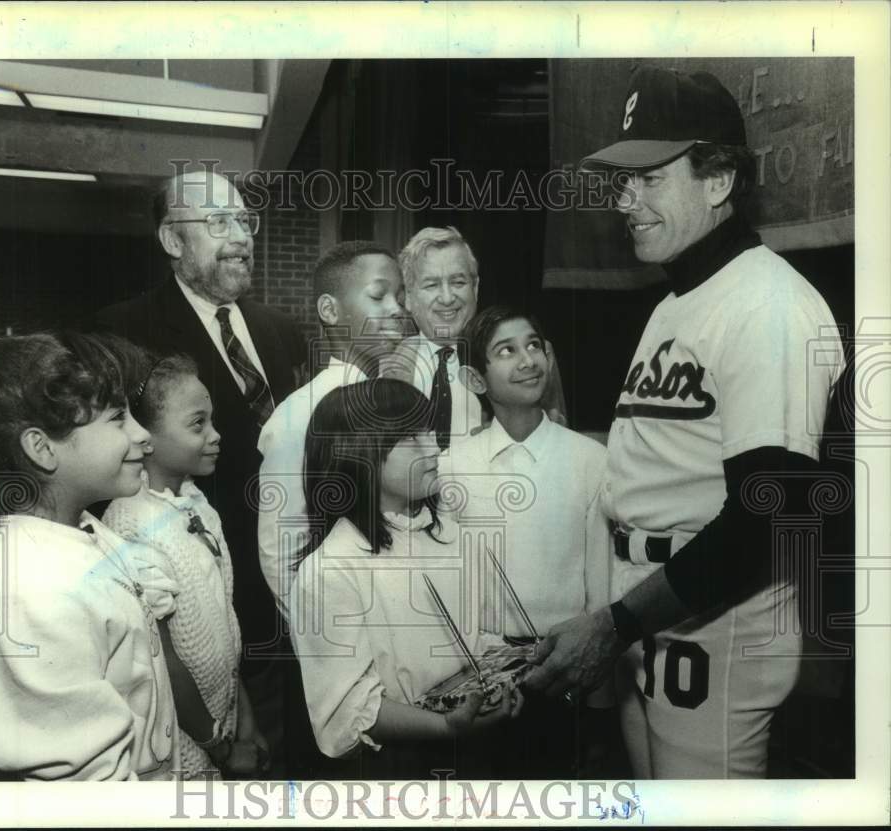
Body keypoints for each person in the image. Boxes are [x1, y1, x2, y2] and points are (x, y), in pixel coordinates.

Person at [525, 66, 845, 779]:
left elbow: (768, 517)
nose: (625, 200)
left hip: (715, 618)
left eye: (650, 178)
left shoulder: (767, 305)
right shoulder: (676, 300)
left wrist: (616, 624)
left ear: (719, 181)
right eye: (623, 180)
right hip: (649, 606)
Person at [95, 170, 306, 773]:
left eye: (243, 220)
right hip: (194, 611)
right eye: (217, 222)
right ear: (172, 240)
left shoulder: (282, 332)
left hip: (295, 596)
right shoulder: (121, 331)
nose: (239, 236)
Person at [0, 326, 179, 780]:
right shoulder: (30, 598)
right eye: (118, 418)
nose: (143, 434)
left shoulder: (83, 530)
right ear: (42, 448)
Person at [288, 379, 524, 779]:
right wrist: (445, 727)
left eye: (429, 431)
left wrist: (505, 680)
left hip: (477, 748)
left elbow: (475, 640)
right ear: (359, 453)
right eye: (411, 437)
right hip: (397, 766)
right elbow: (346, 714)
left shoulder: (447, 531)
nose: (433, 448)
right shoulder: (330, 569)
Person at [438, 305, 614, 777]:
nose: (528, 360)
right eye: (506, 351)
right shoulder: (452, 466)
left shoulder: (589, 460)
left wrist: (600, 704)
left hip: (565, 675)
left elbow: (600, 588)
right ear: (475, 380)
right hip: (480, 682)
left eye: (534, 345)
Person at [102, 349, 268, 779]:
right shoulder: (129, 523)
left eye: (212, 421)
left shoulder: (196, 502)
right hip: (183, 746)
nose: (215, 435)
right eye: (198, 424)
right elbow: (163, 662)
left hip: (223, 719)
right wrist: (220, 748)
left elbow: (224, 623)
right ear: (146, 436)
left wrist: (244, 717)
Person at [257, 240, 404, 620]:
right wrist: (317, 633)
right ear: (329, 310)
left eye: (400, 297)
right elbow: (281, 549)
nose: (396, 309)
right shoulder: (300, 414)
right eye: (379, 296)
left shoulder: (398, 401)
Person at [388, 225, 567, 450]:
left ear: (475, 288)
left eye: (458, 282)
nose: (447, 298)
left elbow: (557, 442)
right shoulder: (385, 362)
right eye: (432, 285)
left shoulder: (533, 356)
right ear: (408, 297)